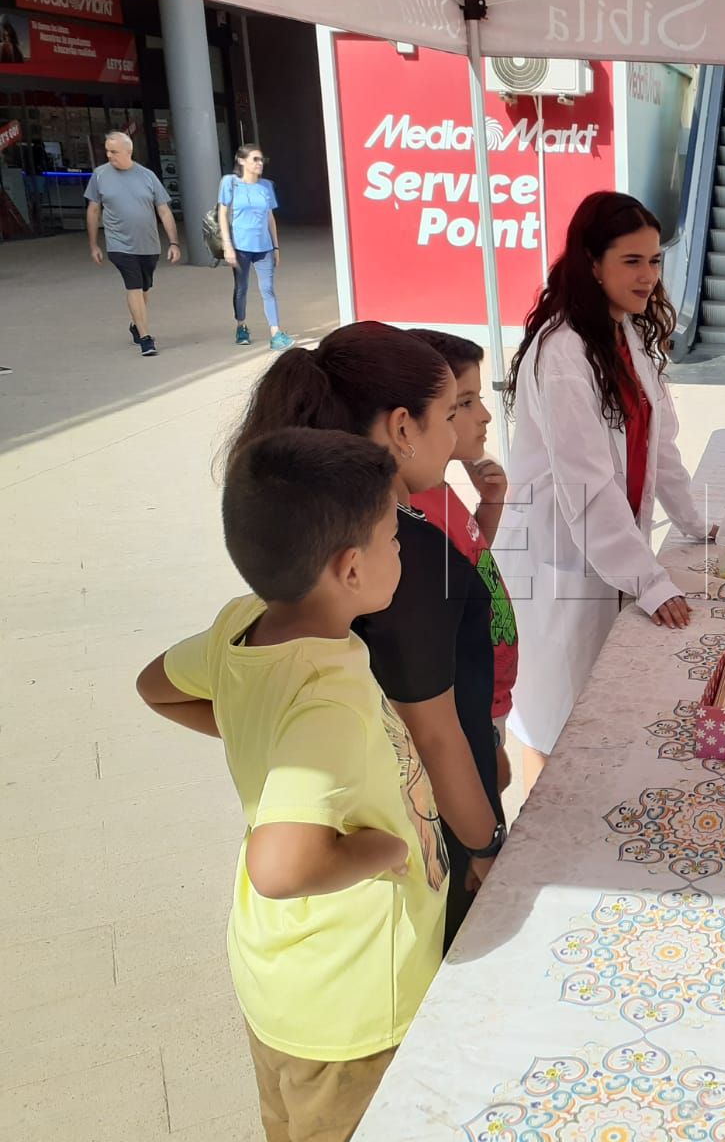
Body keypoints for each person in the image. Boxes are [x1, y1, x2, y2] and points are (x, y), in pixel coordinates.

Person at [134, 427, 447, 1142]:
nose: (401, 550)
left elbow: (156, 685)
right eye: (392, 541)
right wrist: (384, 852)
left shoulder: (242, 625)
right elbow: (279, 868)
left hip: (284, 978)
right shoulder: (327, 695)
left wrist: (257, 737)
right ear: (350, 569)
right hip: (354, 1004)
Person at [228, 324, 504, 947]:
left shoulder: (326, 536)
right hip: (431, 828)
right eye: (448, 413)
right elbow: (435, 733)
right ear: (403, 428)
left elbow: (176, 683)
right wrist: (487, 846)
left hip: (383, 814)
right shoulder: (407, 556)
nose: (460, 428)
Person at [497, 191, 711, 789]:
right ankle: (544, 849)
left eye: (655, 262)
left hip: (605, 552)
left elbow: (660, 445)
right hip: (559, 560)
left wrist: (695, 523)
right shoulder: (564, 352)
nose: (648, 277)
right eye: (631, 262)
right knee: (555, 715)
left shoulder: (629, 336)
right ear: (592, 263)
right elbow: (585, 482)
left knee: (598, 702)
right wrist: (648, 579)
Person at [408, 330, 520, 800]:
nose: (485, 415)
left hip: (487, 700)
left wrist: (490, 505)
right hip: (464, 708)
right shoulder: (413, 512)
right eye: (465, 403)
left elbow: (467, 570)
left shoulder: (441, 488)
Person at [85, 131, 181, 357]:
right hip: (119, 244)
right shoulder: (99, 175)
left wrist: (174, 242)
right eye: (107, 151)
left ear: (128, 151)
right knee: (134, 286)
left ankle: (135, 323)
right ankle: (146, 338)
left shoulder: (147, 176)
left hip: (148, 244)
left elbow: (164, 210)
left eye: (114, 151)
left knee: (145, 287)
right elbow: (93, 210)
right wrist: (93, 244)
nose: (109, 155)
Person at [219, 143, 292, 350]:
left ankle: (276, 333)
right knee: (241, 288)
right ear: (241, 161)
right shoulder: (230, 183)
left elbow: (270, 218)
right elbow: (222, 214)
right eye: (255, 159)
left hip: (265, 248)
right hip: (240, 246)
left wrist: (276, 247)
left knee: (268, 289)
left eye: (261, 160)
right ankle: (241, 326)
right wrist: (227, 246)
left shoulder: (267, 185)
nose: (260, 163)